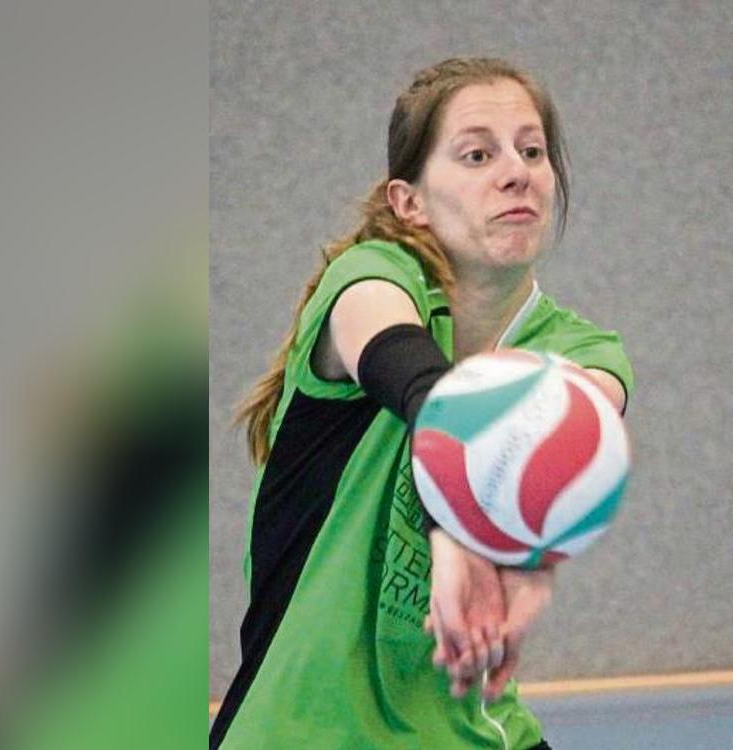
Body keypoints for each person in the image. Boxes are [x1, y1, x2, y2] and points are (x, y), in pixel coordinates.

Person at [211, 56, 634, 749]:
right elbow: (414, 379)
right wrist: (455, 531)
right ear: (408, 200)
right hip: (302, 731)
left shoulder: (580, 349)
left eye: (532, 151)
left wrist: (531, 560)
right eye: (477, 153)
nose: (515, 171)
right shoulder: (369, 281)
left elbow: (580, 439)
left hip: (475, 733)